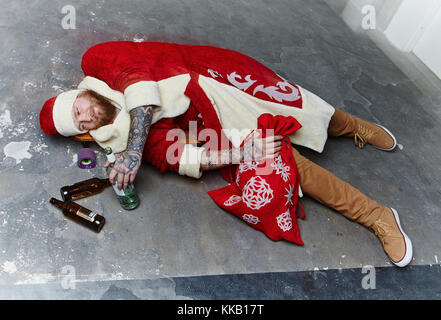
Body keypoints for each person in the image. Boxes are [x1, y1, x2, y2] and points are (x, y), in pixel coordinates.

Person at [39, 41, 412, 267]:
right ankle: (375, 215)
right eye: (78, 123)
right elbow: (179, 157)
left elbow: (138, 81)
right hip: (208, 124)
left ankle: (351, 126)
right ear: (85, 133)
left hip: (210, 73)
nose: (85, 115)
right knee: (277, 156)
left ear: (79, 95)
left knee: (299, 108)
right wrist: (241, 151)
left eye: (76, 108)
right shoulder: (121, 142)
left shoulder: (98, 60)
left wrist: (132, 151)